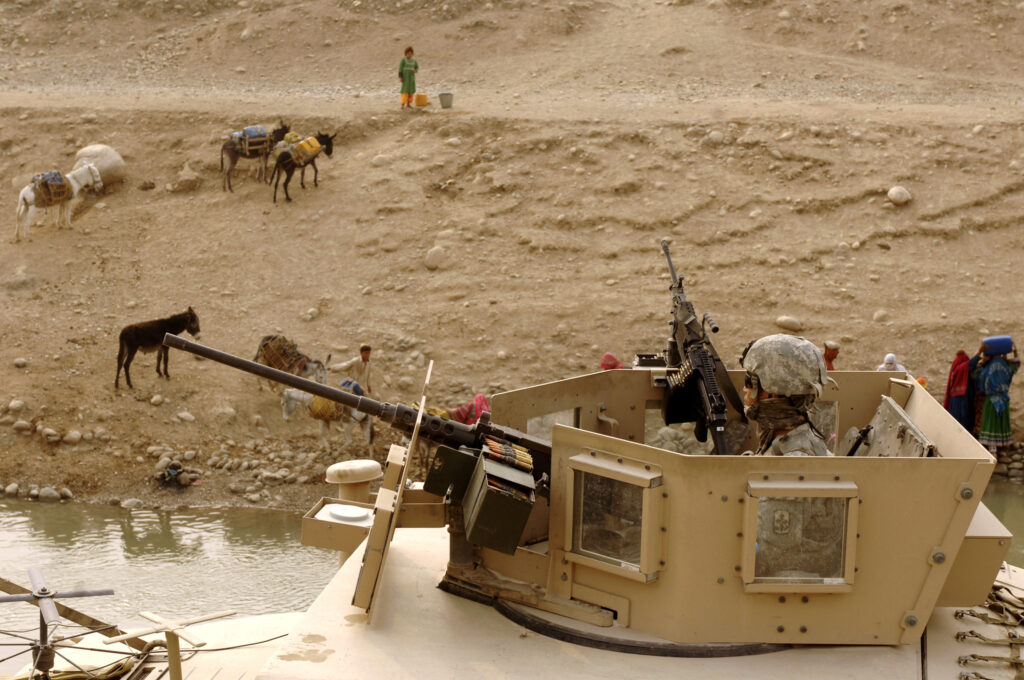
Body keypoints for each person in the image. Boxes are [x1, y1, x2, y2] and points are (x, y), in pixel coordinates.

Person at [740, 334, 835, 456]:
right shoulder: (794, 443)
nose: (745, 389)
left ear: (773, 394)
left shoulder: (792, 458)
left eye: (749, 382)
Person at [973, 342, 1020, 451]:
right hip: (1003, 399)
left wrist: (979, 353)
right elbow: (1017, 364)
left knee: (991, 422)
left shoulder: (986, 368)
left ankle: (992, 449)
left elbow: (974, 373)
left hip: (991, 400)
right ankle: (1002, 446)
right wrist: (1015, 351)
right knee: (1001, 422)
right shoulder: (1007, 367)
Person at [943, 350, 974, 432]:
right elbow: (971, 363)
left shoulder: (955, 368)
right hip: (962, 400)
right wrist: (979, 353)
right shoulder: (961, 368)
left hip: (954, 400)